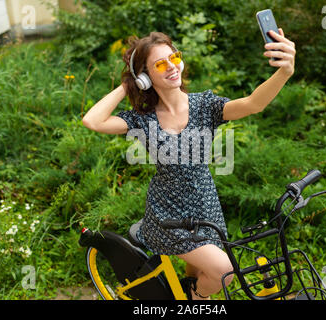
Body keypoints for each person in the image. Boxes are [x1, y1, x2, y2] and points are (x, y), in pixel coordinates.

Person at [82, 31, 295, 300]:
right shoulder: (143, 120)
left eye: (174, 57)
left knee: (198, 276)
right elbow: (93, 121)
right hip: (167, 216)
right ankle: (197, 297)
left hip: (204, 207)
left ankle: (190, 298)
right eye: (160, 64)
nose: (172, 66)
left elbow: (254, 104)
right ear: (145, 76)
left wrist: (284, 73)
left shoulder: (204, 105)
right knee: (225, 271)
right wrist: (129, 85)